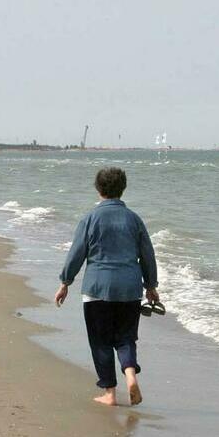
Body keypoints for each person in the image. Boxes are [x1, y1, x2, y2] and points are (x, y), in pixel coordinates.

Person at [55, 167, 160, 406]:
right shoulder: (134, 220)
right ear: (123, 189)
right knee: (125, 338)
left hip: (97, 289)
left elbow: (76, 254)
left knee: (100, 341)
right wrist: (151, 286)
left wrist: (65, 282)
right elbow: (147, 255)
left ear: (98, 188)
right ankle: (130, 375)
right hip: (129, 289)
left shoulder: (90, 219)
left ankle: (110, 393)